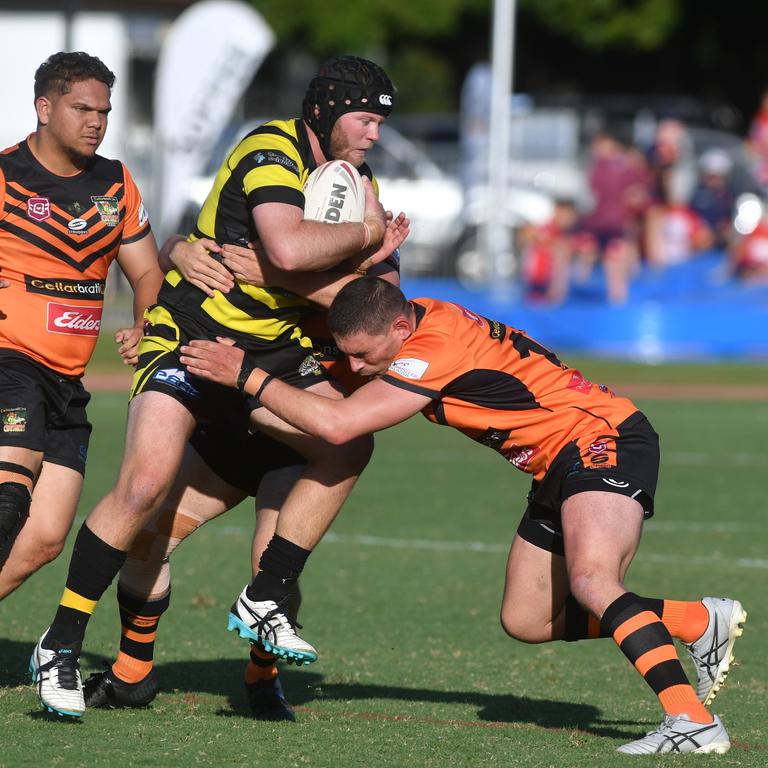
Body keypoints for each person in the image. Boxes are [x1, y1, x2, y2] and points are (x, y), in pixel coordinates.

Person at [180, 276, 746, 755]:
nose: (353, 365)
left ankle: (691, 720)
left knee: (593, 580)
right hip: (557, 462)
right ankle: (696, 622)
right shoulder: (415, 323)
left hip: (601, 438)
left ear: (400, 331)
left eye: (363, 354)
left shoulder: (434, 347)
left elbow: (339, 425)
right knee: (527, 618)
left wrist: (246, 377)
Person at [30, 54, 408, 719]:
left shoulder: (354, 183)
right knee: (145, 490)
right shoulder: (271, 148)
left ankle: (262, 652)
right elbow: (289, 248)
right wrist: (364, 238)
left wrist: (337, 261)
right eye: (366, 118)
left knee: (344, 444)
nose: (375, 134)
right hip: (190, 339)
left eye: (381, 121)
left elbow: (377, 302)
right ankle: (63, 644)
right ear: (324, 110)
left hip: (275, 363)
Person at [0, 53, 163, 594]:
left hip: (67, 385)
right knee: (8, 502)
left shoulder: (115, 184)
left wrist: (145, 325)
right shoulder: (3, 176)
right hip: (9, 363)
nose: (96, 121)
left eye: (105, 111)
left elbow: (147, 274)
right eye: (82, 108)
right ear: (44, 109)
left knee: (44, 539)